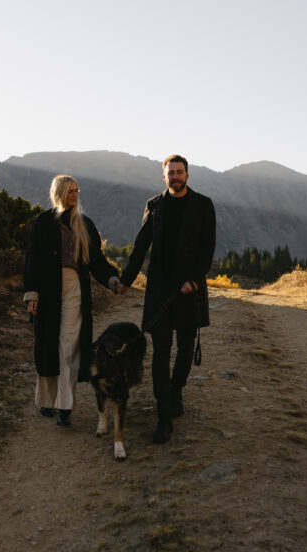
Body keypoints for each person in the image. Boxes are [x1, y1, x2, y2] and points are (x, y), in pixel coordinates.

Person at [118, 154, 216, 443]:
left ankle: (176, 390)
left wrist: (195, 280)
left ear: (187, 174)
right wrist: (125, 279)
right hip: (160, 290)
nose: (175, 176)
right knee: (161, 352)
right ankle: (163, 416)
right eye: (170, 173)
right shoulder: (154, 205)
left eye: (179, 172)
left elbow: (207, 248)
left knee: (185, 348)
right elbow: (140, 246)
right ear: (164, 177)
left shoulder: (202, 205)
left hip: (188, 289)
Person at [24, 174, 120, 426]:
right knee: (47, 345)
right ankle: (48, 400)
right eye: (69, 191)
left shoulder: (85, 224)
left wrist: (113, 280)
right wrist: (31, 293)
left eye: (77, 191)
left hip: (75, 289)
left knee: (69, 345)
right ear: (58, 193)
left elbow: (97, 261)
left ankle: (65, 405)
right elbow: (32, 260)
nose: (75, 195)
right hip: (47, 291)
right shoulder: (43, 222)